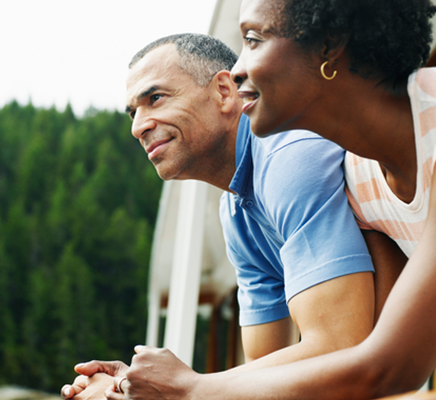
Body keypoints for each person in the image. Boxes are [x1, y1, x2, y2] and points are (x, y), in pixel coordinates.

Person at [91, 1, 436, 399]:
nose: (238, 71)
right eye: (132, 111)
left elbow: (377, 363)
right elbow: (276, 374)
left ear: (329, 45)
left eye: (253, 40)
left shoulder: (300, 158)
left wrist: (189, 389)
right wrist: (131, 388)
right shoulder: (357, 174)